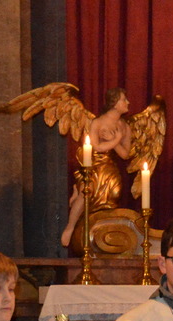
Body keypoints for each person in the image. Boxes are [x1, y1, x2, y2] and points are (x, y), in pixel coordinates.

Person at [59, 88, 132, 249]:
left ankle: (103, 231)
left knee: (115, 194)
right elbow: (96, 146)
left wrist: (116, 140)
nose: (127, 102)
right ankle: (70, 227)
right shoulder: (97, 122)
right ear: (115, 103)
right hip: (93, 166)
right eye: (124, 99)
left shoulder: (125, 127)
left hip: (109, 167)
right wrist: (115, 140)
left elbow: (125, 154)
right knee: (88, 192)